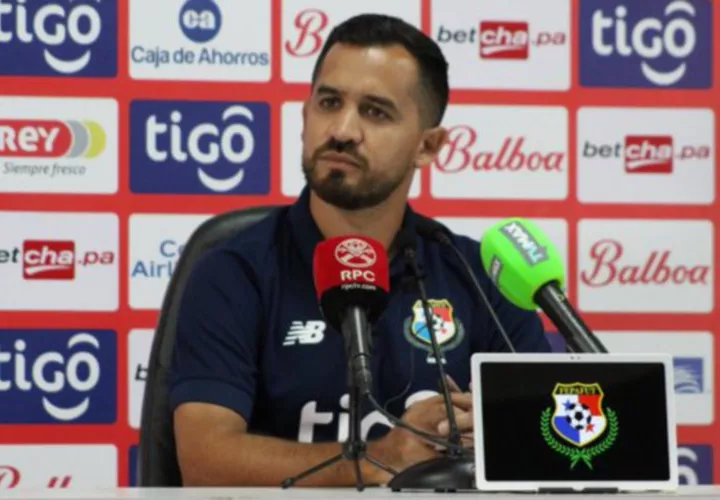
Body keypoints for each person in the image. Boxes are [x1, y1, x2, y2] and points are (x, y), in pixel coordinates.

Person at [169, 13, 551, 488]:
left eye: (375, 111)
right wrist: (377, 459)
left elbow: (548, 438)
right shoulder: (234, 271)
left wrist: (490, 436)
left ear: (427, 147)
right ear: (305, 116)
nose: (343, 129)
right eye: (329, 102)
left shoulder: (478, 278)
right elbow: (205, 462)